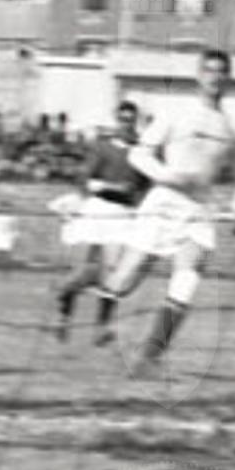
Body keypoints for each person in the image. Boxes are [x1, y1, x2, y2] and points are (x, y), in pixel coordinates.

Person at [93, 49, 235, 376]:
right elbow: (139, 155)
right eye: (209, 70)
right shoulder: (176, 113)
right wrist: (168, 176)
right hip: (163, 202)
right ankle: (102, 321)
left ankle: (150, 356)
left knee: (186, 280)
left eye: (221, 71)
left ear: (229, 78)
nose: (215, 77)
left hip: (198, 210)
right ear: (199, 76)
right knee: (125, 281)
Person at [52, 98, 149, 340]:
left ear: (136, 122)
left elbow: (145, 186)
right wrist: (110, 186)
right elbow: (85, 180)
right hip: (98, 210)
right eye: (122, 119)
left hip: (123, 215)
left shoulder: (142, 150)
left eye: (130, 120)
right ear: (116, 120)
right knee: (84, 270)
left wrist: (141, 205)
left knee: (113, 273)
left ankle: (102, 327)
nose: (126, 124)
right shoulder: (102, 147)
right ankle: (64, 316)